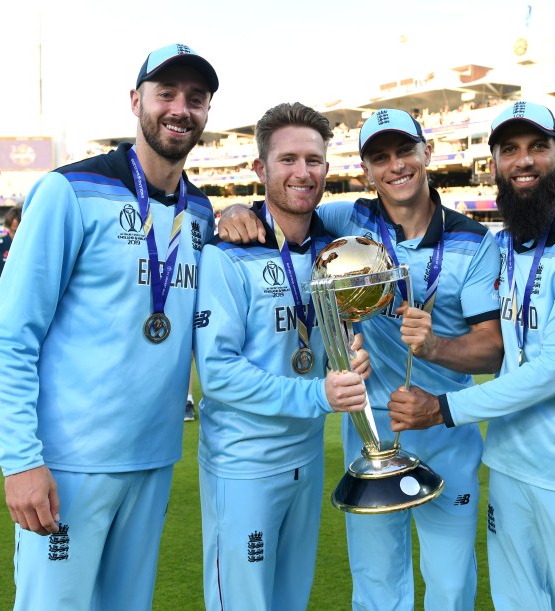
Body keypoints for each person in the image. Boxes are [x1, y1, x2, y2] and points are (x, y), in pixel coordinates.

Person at [217, 108, 503, 610]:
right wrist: (235, 208)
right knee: (375, 582)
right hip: (368, 434)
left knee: (451, 582)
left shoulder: (476, 242)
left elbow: (492, 349)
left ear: (427, 153)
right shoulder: (347, 220)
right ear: (366, 169)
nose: (395, 166)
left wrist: (433, 346)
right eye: (379, 157)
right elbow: (285, 207)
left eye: (404, 151)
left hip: (444, 430)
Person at [0, 44, 220, 610]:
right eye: (166, 94)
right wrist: (21, 462)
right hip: (69, 463)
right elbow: (11, 336)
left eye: (196, 98)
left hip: (153, 457)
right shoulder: (69, 192)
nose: (180, 109)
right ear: (136, 101)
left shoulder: (203, 214)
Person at [387, 101, 555, 610]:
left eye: (537, 147)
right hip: (509, 465)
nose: (524, 161)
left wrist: (441, 409)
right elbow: (498, 348)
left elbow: (553, 372)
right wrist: (432, 345)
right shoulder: (497, 249)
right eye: (510, 149)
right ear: (494, 163)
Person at [194, 102, 370, 610]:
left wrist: (351, 361)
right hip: (244, 464)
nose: (302, 172)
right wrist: (319, 392)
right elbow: (219, 374)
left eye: (313, 160)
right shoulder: (227, 254)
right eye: (288, 159)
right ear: (260, 170)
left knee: (292, 600)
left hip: (305, 458)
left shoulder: (331, 255)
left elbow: (333, 340)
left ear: (327, 170)